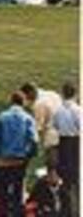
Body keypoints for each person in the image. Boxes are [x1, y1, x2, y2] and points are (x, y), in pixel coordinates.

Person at [0, 90, 40, 216]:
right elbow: (34, 140)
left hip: (4, 161)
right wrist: (30, 154)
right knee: (18, 194)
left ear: (11, 101)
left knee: (1, 195)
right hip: (20, 161)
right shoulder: (28, 118)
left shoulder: (2, 117)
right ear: (23, 103)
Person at [52, 83, 81, 213]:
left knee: (64, 176)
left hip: (62, 142)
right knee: (76, 175)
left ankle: (66, 208)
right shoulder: (77, 109)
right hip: (75, 142)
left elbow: (56, 125)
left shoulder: (58, 110)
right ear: (75, 94)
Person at [26, 82, 64, 157]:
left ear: (30, 92)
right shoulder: (52, 93)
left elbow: (38, 127)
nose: (28, 99)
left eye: (27, 97)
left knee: (52, 155)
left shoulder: (38, 104)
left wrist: (36, 145)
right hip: (67, 129)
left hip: (52, 131)